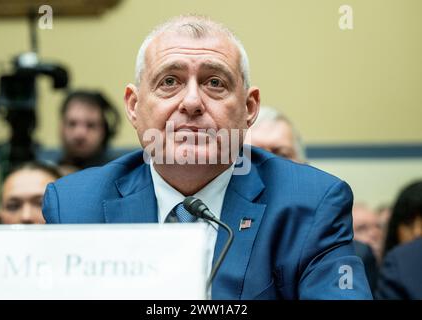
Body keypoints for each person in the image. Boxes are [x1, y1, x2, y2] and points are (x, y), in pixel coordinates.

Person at [43, 15, 372, 299]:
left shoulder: (311, 205)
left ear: (248, 108)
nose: (191, 102)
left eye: (214, 83)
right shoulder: (75, 206)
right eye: (169, 82)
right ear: (133, 105)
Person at [251, 106, 378, 291]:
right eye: (256, 155)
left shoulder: (353, 254)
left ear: (304, 165)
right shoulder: (220, 240)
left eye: (282, 154)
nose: (271, 166)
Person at [58, 90, 121, 174]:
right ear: (61, 127)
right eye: (72, 124)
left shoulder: (117, 172)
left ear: (104, 130)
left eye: (90, 125)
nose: (79, 134)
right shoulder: (46, 173)